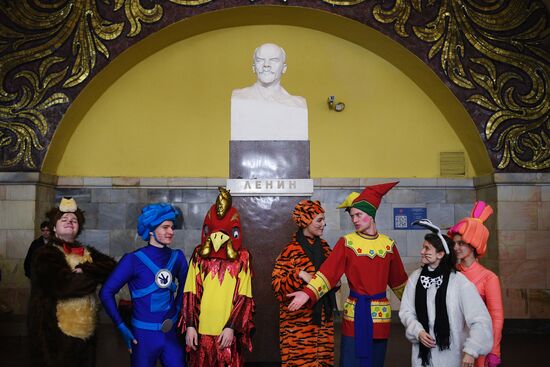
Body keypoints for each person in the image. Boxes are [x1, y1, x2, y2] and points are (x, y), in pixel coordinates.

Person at [287, 182, 409, 367]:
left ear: (371, 215)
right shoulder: (347, 242)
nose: (355, 220)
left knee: (376, 362)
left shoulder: (388, 245)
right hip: (355, 316)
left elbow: (400, 284)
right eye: (353, 216)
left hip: (380, 318)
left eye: (359, 215)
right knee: (351, 361)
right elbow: (328, 274)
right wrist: (307, 293)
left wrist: (420, 309)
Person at [28, 197, 116, 367]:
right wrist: (95, 274)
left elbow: (112, 267)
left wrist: (86, 269)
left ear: (79, 227)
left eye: (74, 220)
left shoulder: (86, 252)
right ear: (54, 227)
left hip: (86, 332)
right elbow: (66, 285)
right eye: (64, 219)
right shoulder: (45, 253)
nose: (69, 221)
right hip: (55, 332)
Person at [99, 203, 188, 367]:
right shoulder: (132, 260)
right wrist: (121, 326)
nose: (171, 232)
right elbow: (106, 293)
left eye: (172, 227)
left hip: (171, 335)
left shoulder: (178, 257)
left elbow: (187, 287)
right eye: (165, 227)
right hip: (142, 337)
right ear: (151, 230)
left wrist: (177, 310)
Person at [399, 219, 493, 367]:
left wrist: (471, 350)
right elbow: (406, 311)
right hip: (422, 358)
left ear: (440, 254)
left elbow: (480, 319)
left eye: (427, 248)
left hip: (451, 357)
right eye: (423, 248)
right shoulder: (416, 278)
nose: (422, 252)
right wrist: (418, 331)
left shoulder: (459, 282)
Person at [179, 187, 254, 367]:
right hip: (202, 331)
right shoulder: (199, 256)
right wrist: (190, 325)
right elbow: (191, 292)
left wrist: (231, 327)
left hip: (227, 334)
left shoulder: (242, 258)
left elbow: (244, 297)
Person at [272, 200, 338, 366]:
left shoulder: (325, 248)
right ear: (306, 220)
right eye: (319, 220)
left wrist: (335, 283)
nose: (323, 224)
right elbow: (277, 286)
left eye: (324, 220)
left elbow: (333, 278)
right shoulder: (290, 251)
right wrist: (299, 275)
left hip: (324, 323)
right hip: (298, 328)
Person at [448, 201, 503, 367]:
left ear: (473, 244)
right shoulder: (451, 273)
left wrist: (494, 350)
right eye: (454, 243)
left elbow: (496, 318)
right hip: (454, 344)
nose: (456, 247)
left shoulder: (489, 277)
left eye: (461, 243)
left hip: (479, 345)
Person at [232, 43, 306, 108]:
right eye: (260, 60)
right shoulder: (239, 96)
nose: (266, 65)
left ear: (284, 68)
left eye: (274, 60)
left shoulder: (298, 103)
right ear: (254, 67)